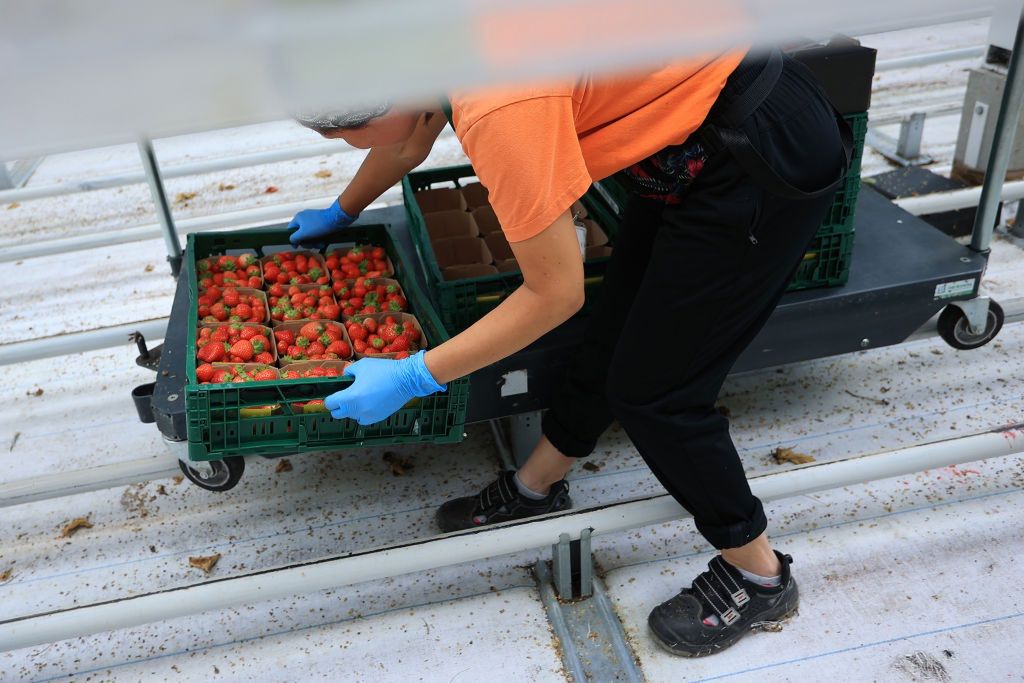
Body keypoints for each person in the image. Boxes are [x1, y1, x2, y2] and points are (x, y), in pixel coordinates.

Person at [289, 46, 847, 656]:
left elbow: (554, 295)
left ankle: (759, 575)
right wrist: (343, 210)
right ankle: (537, 485)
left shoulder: (499, 107)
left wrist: (413, 376)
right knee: (615, 327)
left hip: (756, 149)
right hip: (685, 140)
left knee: (657, 393)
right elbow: (404, 141)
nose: (339, 140)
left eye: (343, 130)